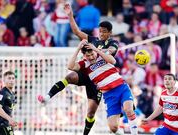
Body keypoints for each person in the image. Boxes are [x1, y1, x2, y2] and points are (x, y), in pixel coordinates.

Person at [37, 3, 119, 135]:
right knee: (70, 76)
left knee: (91, 112)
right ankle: (47, 97)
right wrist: (70, 15)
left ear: (110, 33)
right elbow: (76, 31)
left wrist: (96, 50)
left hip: (97, 79)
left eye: (104, 32)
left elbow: (111, 51)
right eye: (100, 30)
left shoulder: (113, 43)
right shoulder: (93, 39)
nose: (101, 33)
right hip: (86, 71)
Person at [67, 40, 138, 135]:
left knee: (128, 110)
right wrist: (78, 47)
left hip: (121, 87)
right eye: (88, 56)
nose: (91, 57)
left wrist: (96, 49)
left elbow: (113, 61)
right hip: (109, 95)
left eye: (92, 54)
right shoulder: (84, 64)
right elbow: (70, 66)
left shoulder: (102, 55)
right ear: (84, 55)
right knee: (113, 128)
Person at [0, 71, 18, 135]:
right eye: (9, 78)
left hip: (2, 123)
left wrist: (10, 120)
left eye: (13, 78)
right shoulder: (3, 93)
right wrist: (9, 119)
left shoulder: (12, 94)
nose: (11, 80)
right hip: (0, 123)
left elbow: (8, 109)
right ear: (4, 80)